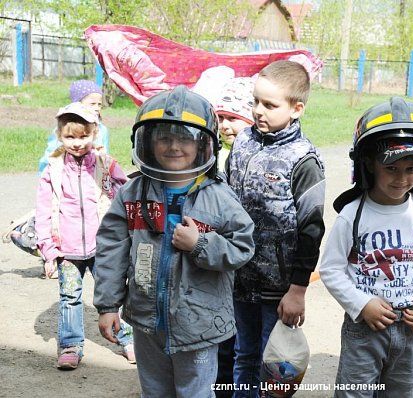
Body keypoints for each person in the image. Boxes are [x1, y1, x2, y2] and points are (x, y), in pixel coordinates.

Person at [93, 86, 255, 397]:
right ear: (147, 142)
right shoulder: (133, 194)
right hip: (146, 320)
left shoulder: (219, 197)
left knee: (195, 392)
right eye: (164, 137)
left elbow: (243, 246)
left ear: (203, 144)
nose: (174, 146)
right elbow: (111, 250)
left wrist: (200, 245)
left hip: (200, 324)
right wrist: (107, 304)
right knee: (154, 391)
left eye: (184, 138)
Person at [320, 97, 413, 397]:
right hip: (365, 327)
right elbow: (331, 268)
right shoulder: (353, 214)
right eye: (391, 167)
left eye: (411, 168)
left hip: (412, 327)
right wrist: (361, 304)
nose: (401, 178)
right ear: (368, 163)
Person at [226, 60, 326, 398]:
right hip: (239, 280)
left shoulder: (304, 160)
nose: (258, 111)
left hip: (279, 290)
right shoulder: (242, 143)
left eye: (269, 105)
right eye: (255, 101)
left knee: (275, 370)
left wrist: (297, 290)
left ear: (297, 108)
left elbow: (312, 229)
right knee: (244, 356)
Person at [34, 102, 130, 369]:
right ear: (59, 135)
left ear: (94, 133)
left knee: (114, 293)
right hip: (67, 248)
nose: (77, 143)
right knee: (69, 297)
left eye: (83, 136)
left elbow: (127, 197)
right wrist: (48, 250)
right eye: (69, 137)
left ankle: (127, 339)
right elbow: (42, 211)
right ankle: (70, 345)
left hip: (104, 248)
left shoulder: (106, 165)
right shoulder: (52, 170)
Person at [213, 76, 255, 397]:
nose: (226, 125)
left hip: (246, 258)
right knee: (223, 335)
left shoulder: (252, 156)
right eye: (222, 117)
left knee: (242, 335)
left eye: (234, 118)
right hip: (220, 256)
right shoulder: (215, 155)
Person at [39, 80, 110, 173]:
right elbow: (52, 154)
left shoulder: (102, 129)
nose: (97, 107)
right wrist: (46, 175)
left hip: (92, 175)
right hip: (67, 174)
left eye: (99, 104)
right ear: (77, 103)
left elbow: (105, 155)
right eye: (92, 104)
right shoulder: (65, 128)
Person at [215, 77, 255, 172]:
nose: (224, 125)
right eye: (220, 117)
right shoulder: (212, 151)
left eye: (232, 118)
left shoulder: (260, 153)